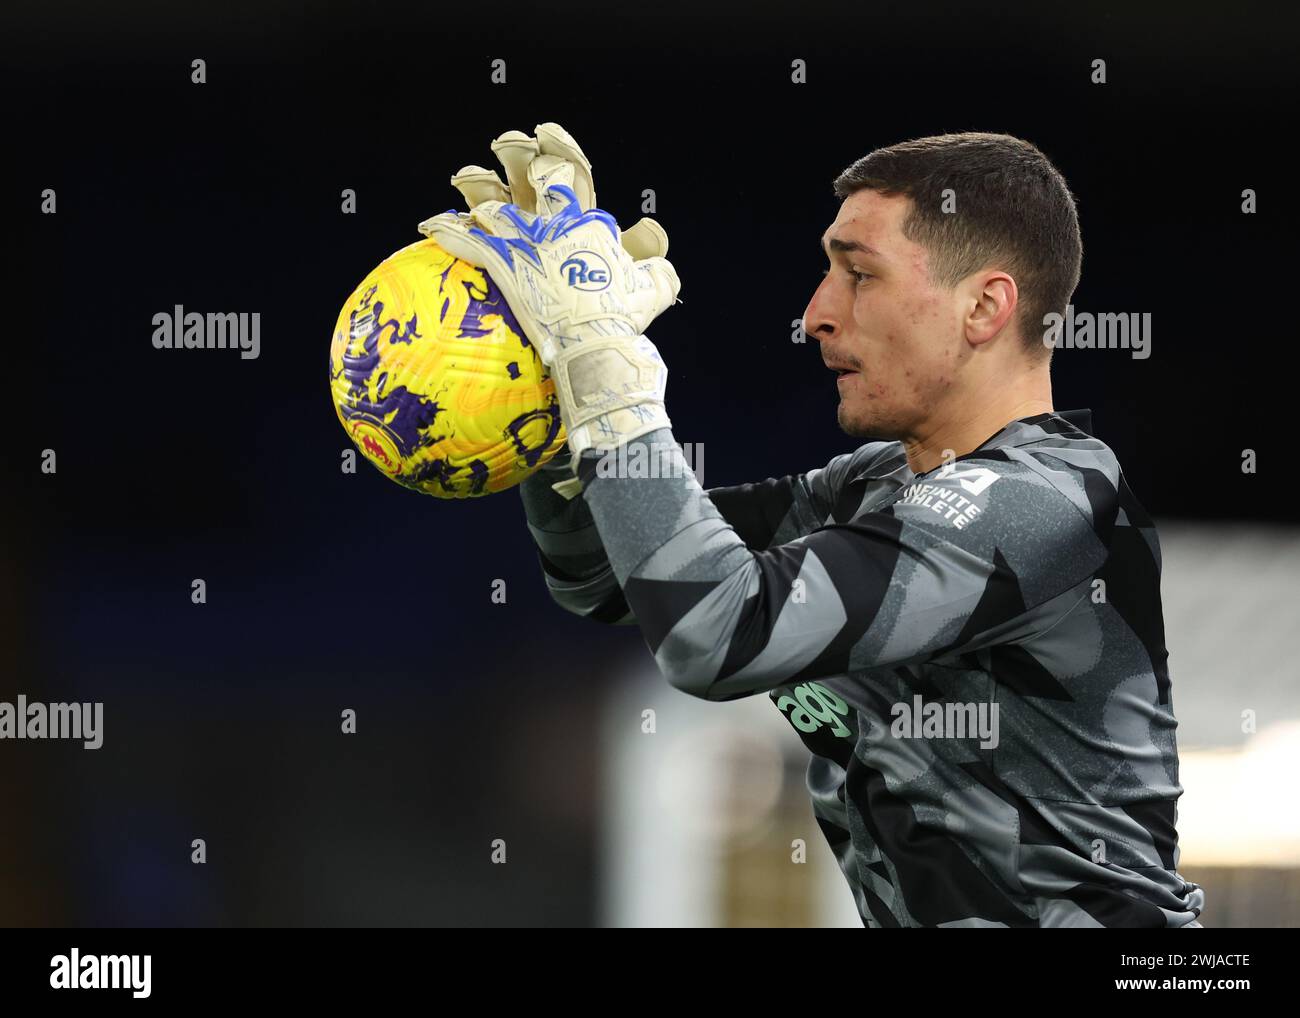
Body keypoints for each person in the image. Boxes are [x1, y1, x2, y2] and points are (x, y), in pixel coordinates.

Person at [425, 126, 1205, 928]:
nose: (816, 315)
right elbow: (606, 574)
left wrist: (607, 370)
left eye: (860, 274)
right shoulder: (869, 488)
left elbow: (715, 635)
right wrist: (550, 391)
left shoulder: (1047, 503)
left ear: (984, 307)